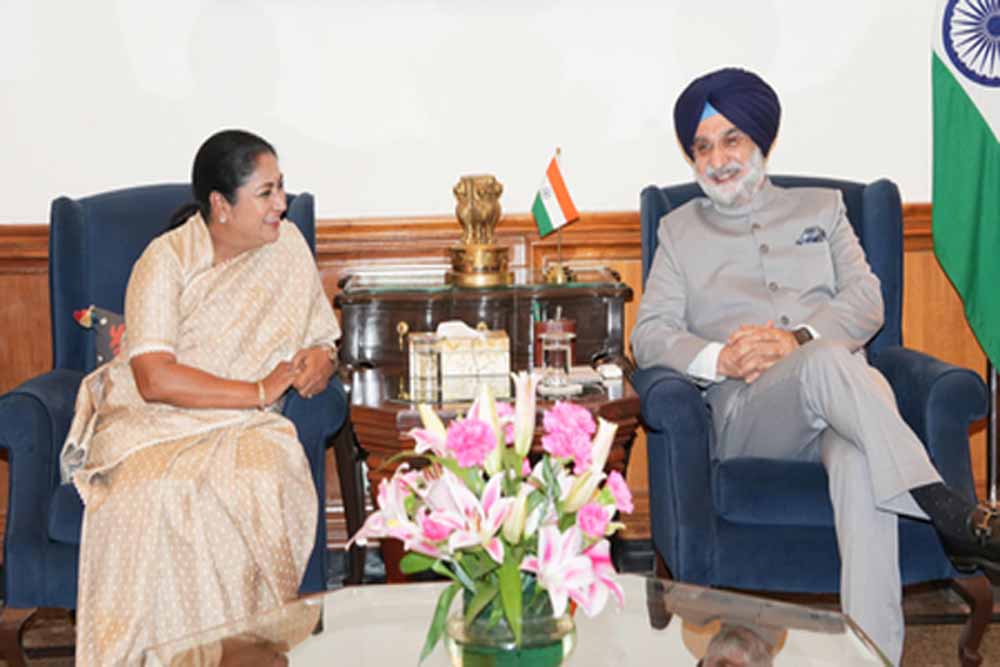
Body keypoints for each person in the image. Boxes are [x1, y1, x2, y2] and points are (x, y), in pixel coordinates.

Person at [631, 67, 1000, 666]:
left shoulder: (824, 209)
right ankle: (942, 506)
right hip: (752, 415)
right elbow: (649, 335)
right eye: (702, 147)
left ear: (760, 140)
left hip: (847, 414)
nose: (717, 160)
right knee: (829, 358)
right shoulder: (679, 231)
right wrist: (719, 357)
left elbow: (868, 301)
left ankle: (874, 657)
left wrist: (796, 338)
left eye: (731, 140)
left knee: (860, 462)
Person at [59, 129, 340, 666]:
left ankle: (246, 654)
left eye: (281, 188)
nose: (281, 204)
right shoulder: (165, 260)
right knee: (151, 493)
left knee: (257, 476)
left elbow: (320, 337)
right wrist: (258, 390)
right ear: (221, 205)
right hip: (152, 421)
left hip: (251, 426)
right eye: (266, 193)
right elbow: (153, 378)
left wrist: (321, 362)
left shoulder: (288, 248)